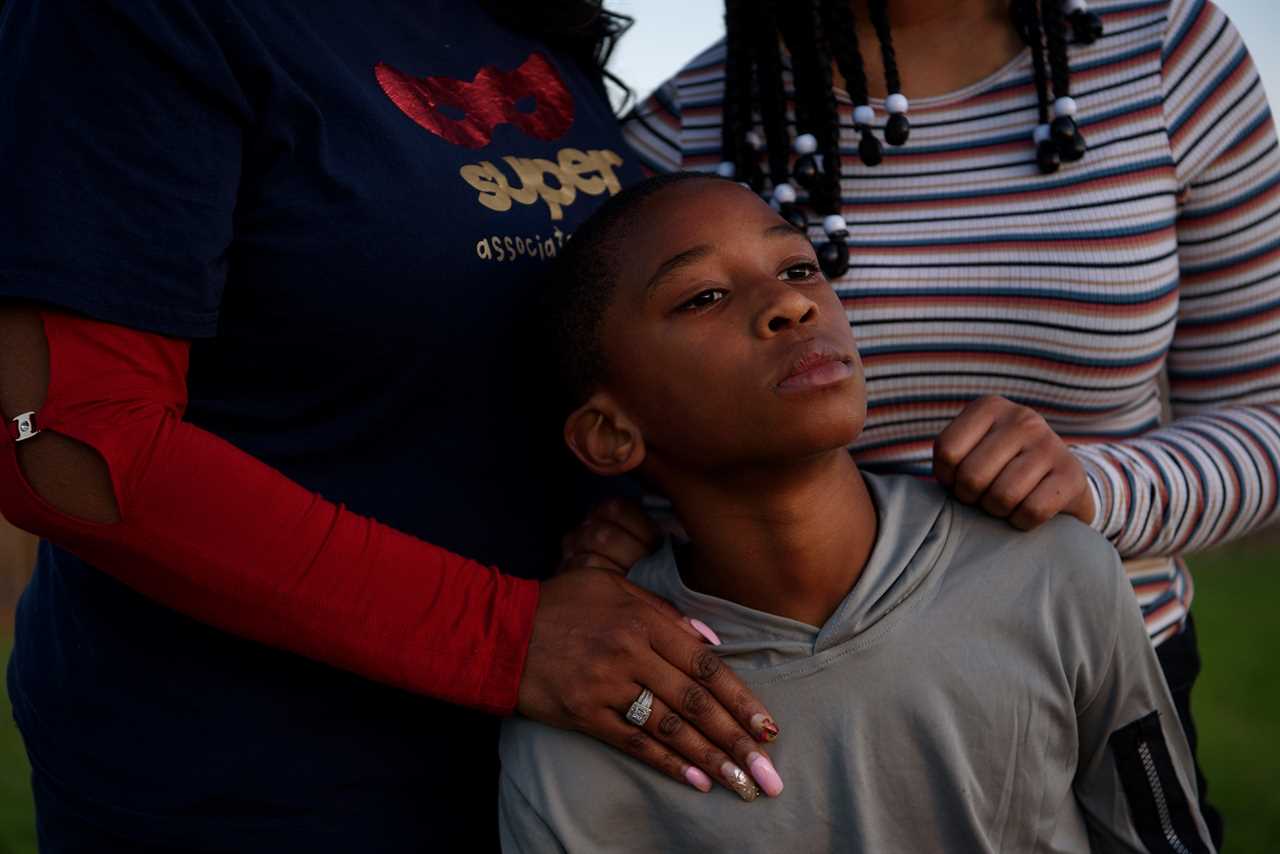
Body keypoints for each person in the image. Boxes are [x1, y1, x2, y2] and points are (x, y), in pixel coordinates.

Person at [0, 2, 785, 849]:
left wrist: (615, 519)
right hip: (264, 784)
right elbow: (71, 448)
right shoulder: (141, 24)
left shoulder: (527, 22)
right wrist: (505, 637)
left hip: (553, 764)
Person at [618, 0, 1280, 845]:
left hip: (1098, 680)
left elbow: (1265, 420)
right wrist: (610, 535)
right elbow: (633, 416)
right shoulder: (683, 126)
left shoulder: (1167, 53)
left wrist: (1096, 487)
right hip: (781, 706)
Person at [499, 171, 1215, 853]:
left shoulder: (1052, 571)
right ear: (610, 433)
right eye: (704, 297)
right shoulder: (594, 703)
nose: (792, 304)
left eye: (800, 269)